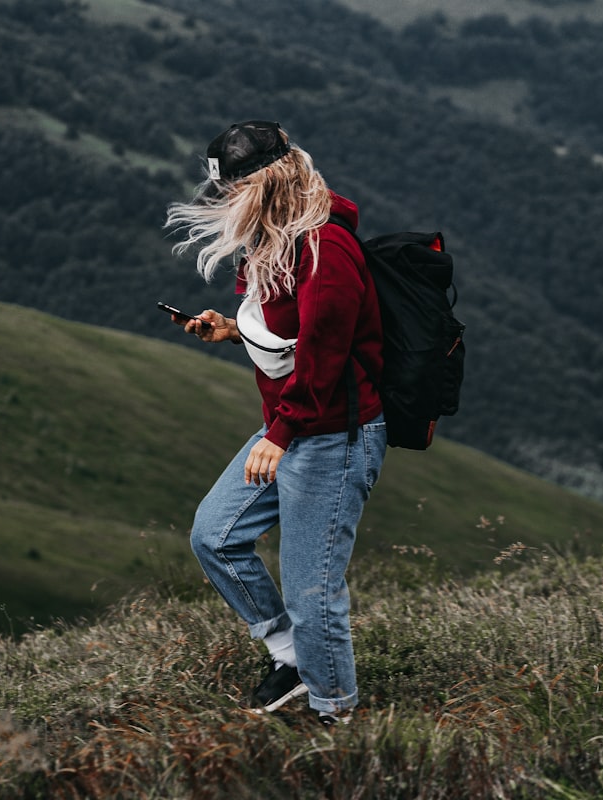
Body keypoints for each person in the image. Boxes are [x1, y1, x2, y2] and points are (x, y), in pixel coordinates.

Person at [164, 121, 386, 728]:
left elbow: (324, 356)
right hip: (295, 425)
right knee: (215, 535)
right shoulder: (273, 242)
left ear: (261, 185)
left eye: (232, 192)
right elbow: (287, 336)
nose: (225, 205)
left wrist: (279, 435)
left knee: (313, 593)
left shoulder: (327, 249)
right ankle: (292, 659)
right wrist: (233, 329)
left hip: (333, 434)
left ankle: (334, 714)